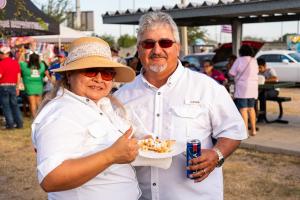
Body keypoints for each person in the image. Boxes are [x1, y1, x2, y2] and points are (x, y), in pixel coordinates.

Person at [115, 12, 247, 200]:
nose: (157, 50)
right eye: (148, 43)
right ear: (139, 48)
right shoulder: (122, 96)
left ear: (178, 47)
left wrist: (217, 154)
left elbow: (233, 131)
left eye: (165, 43)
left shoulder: (206, 88)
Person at [31, 37, 141, 200]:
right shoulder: (61, 112)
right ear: (69, 75)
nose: (98, 78)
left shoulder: (102, 105)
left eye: (106, 73)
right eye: (90, 70)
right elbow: (51, 179)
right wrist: (111, 155)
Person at [229, 45, 259, 136]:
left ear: (241, 51)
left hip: (243, 87)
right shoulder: (254, 60)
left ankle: (245, 131)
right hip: (253, 87)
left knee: (243, 109)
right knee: (251, 108)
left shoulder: (239, 60)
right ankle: (253, 130)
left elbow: (231, 73)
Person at [0, 46, 23, 129]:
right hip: (13, 86)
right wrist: (17, 87)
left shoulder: (1, 63)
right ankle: (19, 124)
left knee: (6, 106)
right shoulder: (15, 63)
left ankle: (10, 124)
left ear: (4, 54)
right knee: (15, 105)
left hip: (3, 86)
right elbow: (18, 75)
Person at [20, 53, 46, 117]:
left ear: (30, 59)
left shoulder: (25, 66)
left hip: (29, 87)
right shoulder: (41, 66)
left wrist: (22, 53)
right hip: (39, 86)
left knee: (32, 103)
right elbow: (42, 63)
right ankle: (40, 117)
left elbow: (20, 61)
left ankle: (34, 117)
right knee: (39, 103)